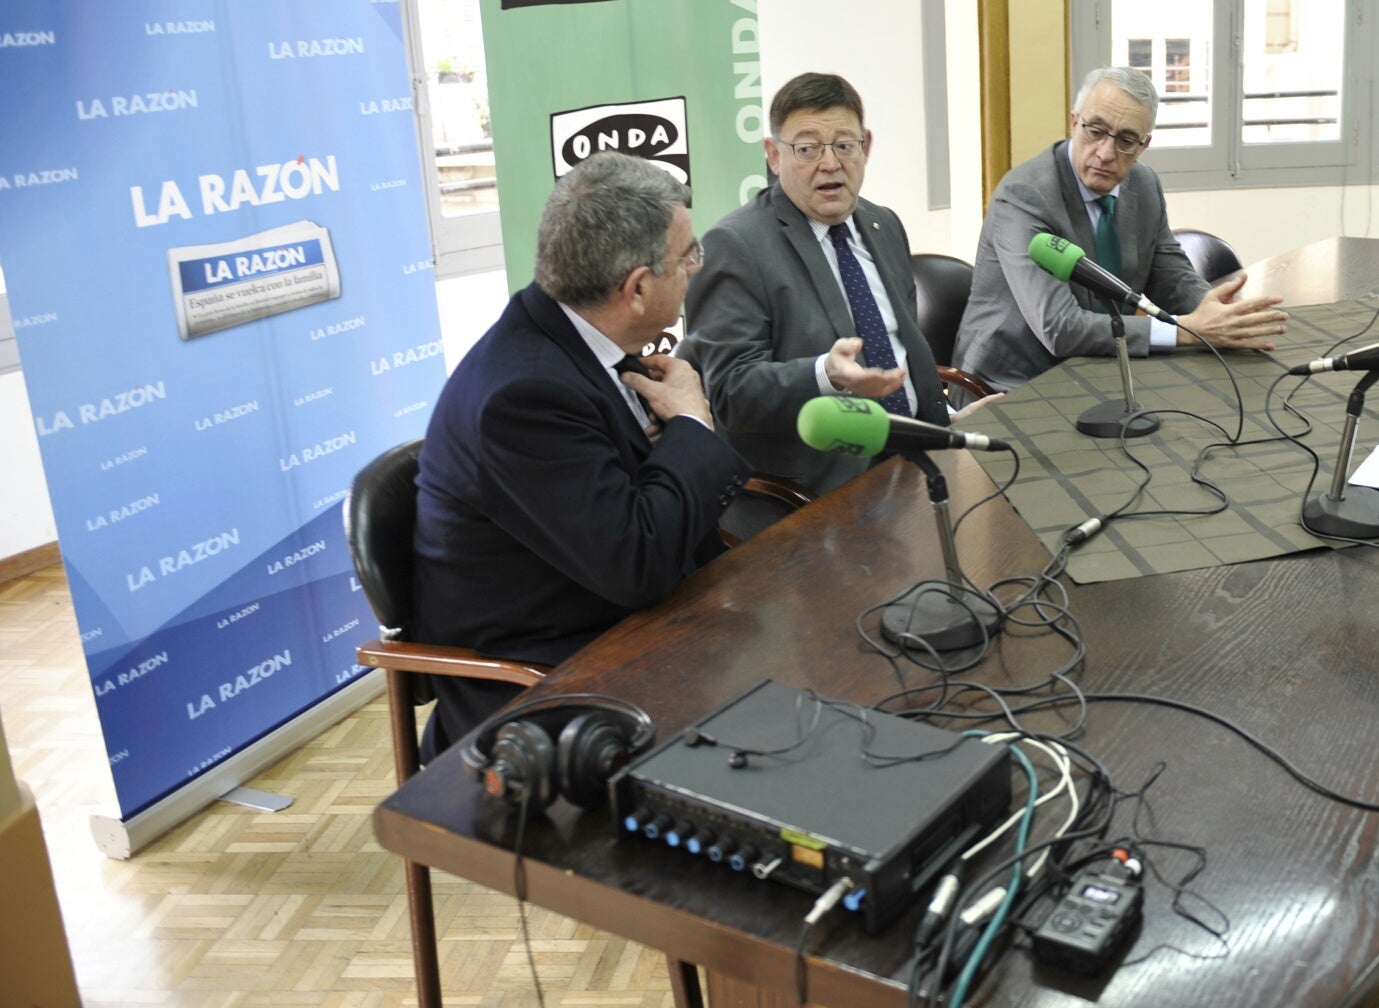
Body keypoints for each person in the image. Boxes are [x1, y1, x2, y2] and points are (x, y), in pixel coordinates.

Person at [412, 153, 752, 750]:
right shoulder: (523, 396)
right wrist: (692, 424)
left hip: (625, 626)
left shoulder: (575, 338)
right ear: (638, 288)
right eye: (688, 255)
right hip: (549, 689)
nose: (696, 268)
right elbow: (636, 562)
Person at [680, 72, 949, 497]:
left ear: (866, 147)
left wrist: (951, 418)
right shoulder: (735, 245)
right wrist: (825, 373)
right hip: (823, 487)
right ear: (773, 154)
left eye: (845, 145)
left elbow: (901, 349)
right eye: (807, 149)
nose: (830, 164)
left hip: (920, 457)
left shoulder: (884, 225)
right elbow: (731, 391)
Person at [955, 66, 1288, 391]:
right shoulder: (1025, 196)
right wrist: (1187, 330)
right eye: (1095, 131)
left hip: (1105, 366)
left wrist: (1214, 311)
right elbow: (1060, 328)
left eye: (1126, 140)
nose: (1105, 153)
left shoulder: (1144, 185)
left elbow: (1172, 278)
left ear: (1144, 145)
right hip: (1012, 381)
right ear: (1074, 122)